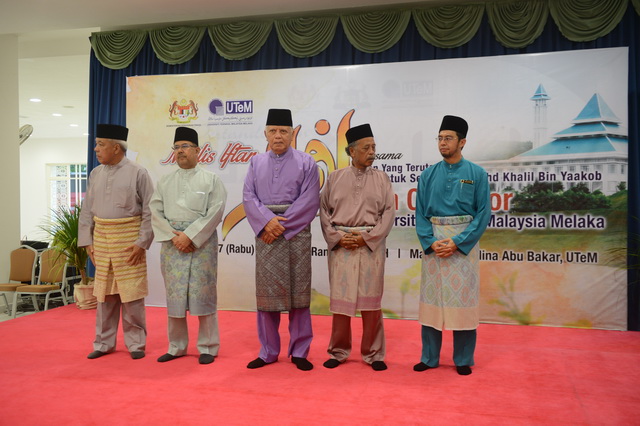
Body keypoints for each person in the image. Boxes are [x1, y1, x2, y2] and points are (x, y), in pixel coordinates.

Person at [242, 108, 320, 371]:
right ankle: (268, 351)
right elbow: (248, 197)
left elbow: (310, 200)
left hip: (296, 234)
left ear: (292, 133)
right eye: (273, 131)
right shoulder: (255, 163)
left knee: (299, 295)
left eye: (283, 131)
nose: (278, 136)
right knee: (267, 296)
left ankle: (299, 351)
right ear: (265, 133)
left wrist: (280, 226)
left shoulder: (307, 162)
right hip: (266, 234)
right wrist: (267, 222)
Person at [414, 115, 491, 375]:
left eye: (448, 138)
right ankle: (429, 358)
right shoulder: (428, 175)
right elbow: (420, 213)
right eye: (440, 138)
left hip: (462, 245)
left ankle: (463, 359)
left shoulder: (477, 174)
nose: (442, 143)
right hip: (435, 244)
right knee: (432, 301)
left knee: (463, 300)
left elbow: (483, 214)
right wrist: (430, 242)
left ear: (462, 142)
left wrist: (458, 242)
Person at [319, 123, 395, 371]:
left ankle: (374, 353)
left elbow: (388, 213)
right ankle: (338, 351)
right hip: (341, 246)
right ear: (351, 151)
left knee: (371, 304)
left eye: (373, 147)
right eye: (366, 148)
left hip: (370, 245)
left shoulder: (382, 179)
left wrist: (367, 238)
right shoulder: (335, 178)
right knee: (341, 303)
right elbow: (324, 212)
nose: (372, 152)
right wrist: (337, 238)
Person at [150, 127, 227, 365]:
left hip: (200, 245)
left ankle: (208, 346)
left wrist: (190, 237)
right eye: (176, 147)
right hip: (173, 244)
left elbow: (216, 212)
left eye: (185, 146)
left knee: (203, 293)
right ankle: (176, 347)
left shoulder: (211, 179)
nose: (180, 151)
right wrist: (174, 237)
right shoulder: (165, 181)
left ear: (197, 150)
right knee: (174, 296)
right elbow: (155, 211)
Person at [78, 123, 154, 360]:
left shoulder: (138, 172)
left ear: (116, 148)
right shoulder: (95, 174)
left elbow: (150, 210)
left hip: (129, 239)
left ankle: (136, 343)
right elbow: (87, 210)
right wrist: (87, 241)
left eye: (100, 144)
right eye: (96, 144)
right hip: (102, 240)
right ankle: (103, 343)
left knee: (131, 294)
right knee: (104, 294)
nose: (95, 149)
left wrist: (142, 242)